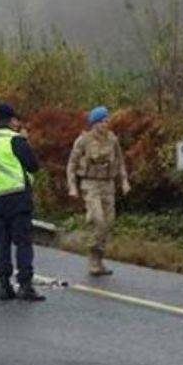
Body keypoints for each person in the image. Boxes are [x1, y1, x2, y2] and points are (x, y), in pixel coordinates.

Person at [0, 103, 44, 302]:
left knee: (1, 243)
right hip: (18, 197)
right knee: (23, 242)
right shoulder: (16, 140)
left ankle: (4, 286)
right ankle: (25, 285)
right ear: (12, 120)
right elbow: (33, 166)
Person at [67, 106, 131, 276]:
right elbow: (71, 165)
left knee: (108, 222)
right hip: (90, 184)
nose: (105, 124)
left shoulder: (112, 140)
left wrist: (124, 181)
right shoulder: (83, 141)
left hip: (108, 185)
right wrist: (72, 186)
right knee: (99, 220)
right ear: (94, 123)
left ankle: (99, 259)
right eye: (102, 121)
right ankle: (93, 257)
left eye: (107, 120)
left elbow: (120, 161)